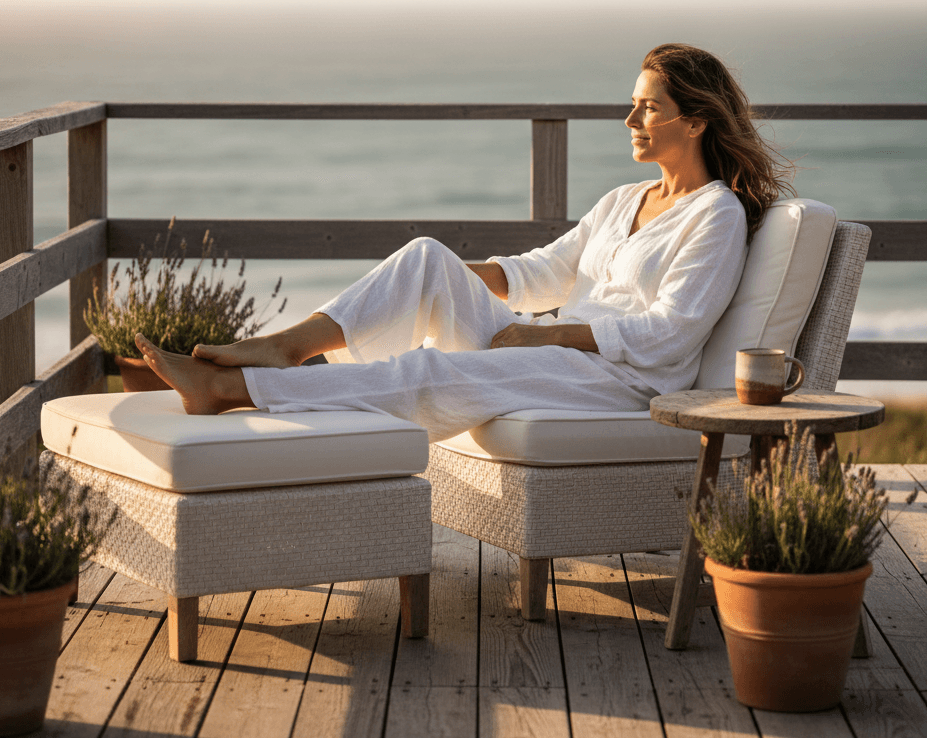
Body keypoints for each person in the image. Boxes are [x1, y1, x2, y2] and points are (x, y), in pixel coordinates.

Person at [135, 43, 795, 444]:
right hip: (560, 351)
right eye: (633, 103)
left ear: (697, 121)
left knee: (432, 370)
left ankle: (233, 389)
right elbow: (544, 272)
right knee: (426, 256)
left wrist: (547, 337)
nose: (629, 119)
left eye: (648, 108)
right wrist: (448, 277)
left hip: (620, 382)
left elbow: (670, 335)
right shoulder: (626, 199)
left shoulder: (718, 218)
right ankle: (285, 347)